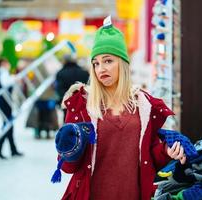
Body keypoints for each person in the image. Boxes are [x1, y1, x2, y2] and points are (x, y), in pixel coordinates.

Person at [56, 16, 186, 200]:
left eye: (108, 61)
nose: (101, 69)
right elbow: (68, 167)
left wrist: (167, 151)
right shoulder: (83, 104)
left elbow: (150, 155)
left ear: (122, 63)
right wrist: (68, 147)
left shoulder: (143, 105)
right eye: (96, 63)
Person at [0, 58, 23, 159]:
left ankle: (12, 149)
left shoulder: (1, 72)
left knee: (8, 125)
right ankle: (0, 150)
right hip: (4, 102)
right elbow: (5, 83)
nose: (8, 64)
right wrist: (14, 78)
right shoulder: (2, 72)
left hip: (4, 101)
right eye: (7, 63)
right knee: (7, 126)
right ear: (3, 64)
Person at [55, 54, 89, 120]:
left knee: (67, 120)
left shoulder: (60, 73)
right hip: (83, 102)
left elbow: (59, 89)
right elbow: (88, 87)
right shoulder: (84, 72)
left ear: (64, 61)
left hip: (68, 103)